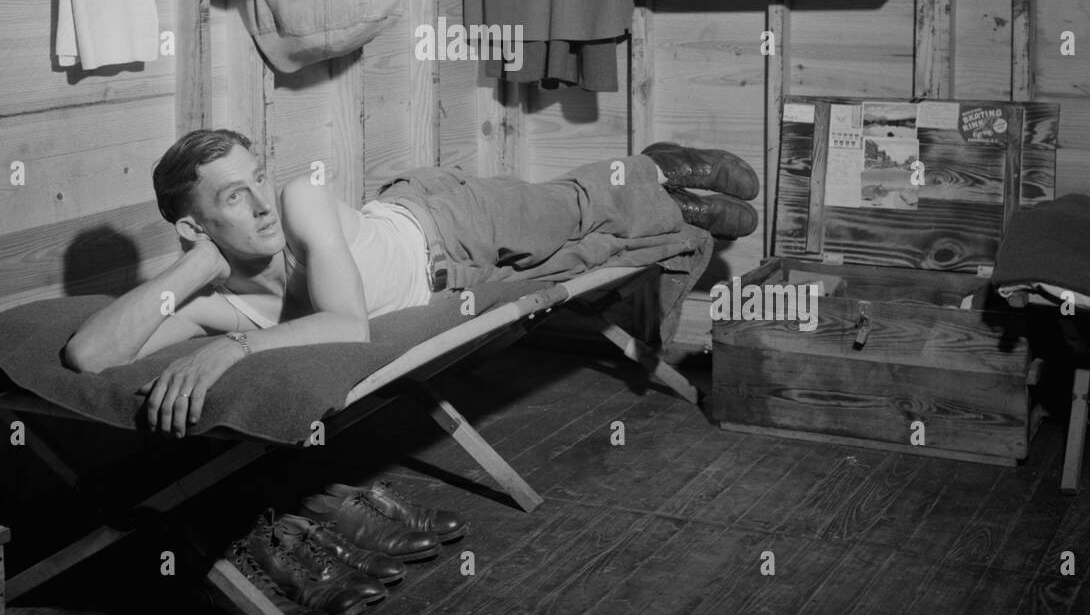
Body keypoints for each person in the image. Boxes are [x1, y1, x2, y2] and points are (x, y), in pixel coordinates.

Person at [62, 128, 758, 439]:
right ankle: (677, 207)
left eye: (255, 179)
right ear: (192, 225)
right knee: (593, 249)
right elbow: (90, 356)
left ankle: (659, 168)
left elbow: (347, 325)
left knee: (574, 208)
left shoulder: (300, 198)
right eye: (234, 199)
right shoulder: (219, 298)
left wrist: (233, 348)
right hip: (454, 282)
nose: (262, 203)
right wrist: (196, 268)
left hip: (444, 220)